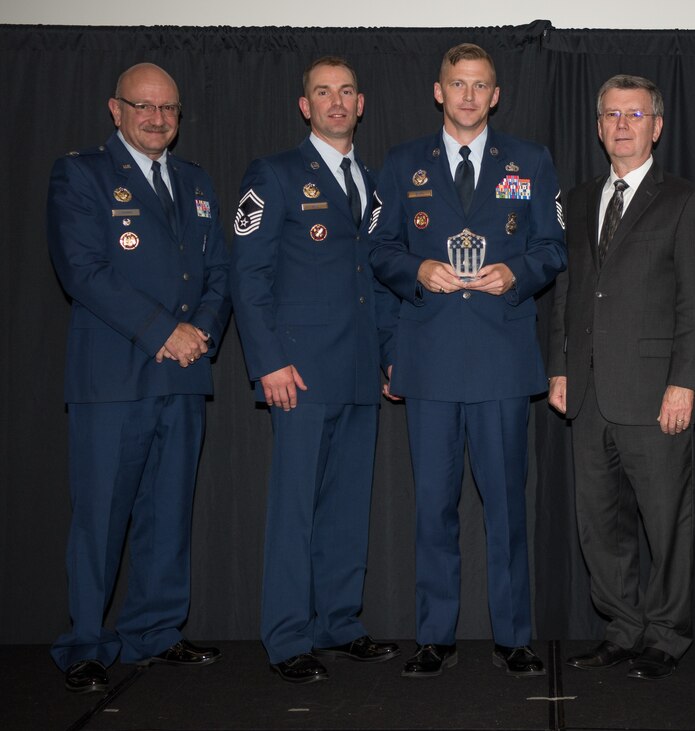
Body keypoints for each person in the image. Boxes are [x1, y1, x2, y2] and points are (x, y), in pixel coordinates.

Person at [368, 43, 566, 678]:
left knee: (506, 506)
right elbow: (378, 249)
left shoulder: (530, 160)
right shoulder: (402, 162)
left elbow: (554, 246)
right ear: (438, 91)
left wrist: (517, 273)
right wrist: (418, 269)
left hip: (502, 360)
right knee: (433, 506)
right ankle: (434, 636)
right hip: (429, 360)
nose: (469, 95)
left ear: (496, 95)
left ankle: (514, 637)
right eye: (458, 84)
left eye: (480, 85)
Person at [47, 62, 230, 693]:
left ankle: (154, 631)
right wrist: (163, 332)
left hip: (184, 374)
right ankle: (86, 644)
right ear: (116, 109)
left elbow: (218, 273)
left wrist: (199, 331)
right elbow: (82, 271)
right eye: (143, 106)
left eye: (168, 108)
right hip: (113, 381)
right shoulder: (82, 174)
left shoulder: (196, 181)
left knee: (169, 514)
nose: (157, 118)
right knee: (100, 519)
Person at [231, 56, 399, 684]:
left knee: (348, 507)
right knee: (295, 510)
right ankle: (286, 636)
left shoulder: (372, 183)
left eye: (346, 91)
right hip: (298, 372)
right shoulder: (274, 174)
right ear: (305, 106)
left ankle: (338, 623)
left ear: (361, 103)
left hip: (358, 369)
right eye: (323, 93)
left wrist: (389, 355)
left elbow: (377, 279)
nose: (336, 102)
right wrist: (268, 361)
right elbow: (249, 275)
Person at [547, 75, 695, 681]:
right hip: (589, 392)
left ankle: (666, 636)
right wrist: (560, 367)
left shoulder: (686, 201)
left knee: (666, 523)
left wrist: (685, 383)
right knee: (600, 525)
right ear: (598, 127)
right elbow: (567, 292)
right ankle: (621, 630)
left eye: (635, 115)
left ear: (657, 126)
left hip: (656, 394)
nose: (622, 125)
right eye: (612, 116)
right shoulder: (576, 200)